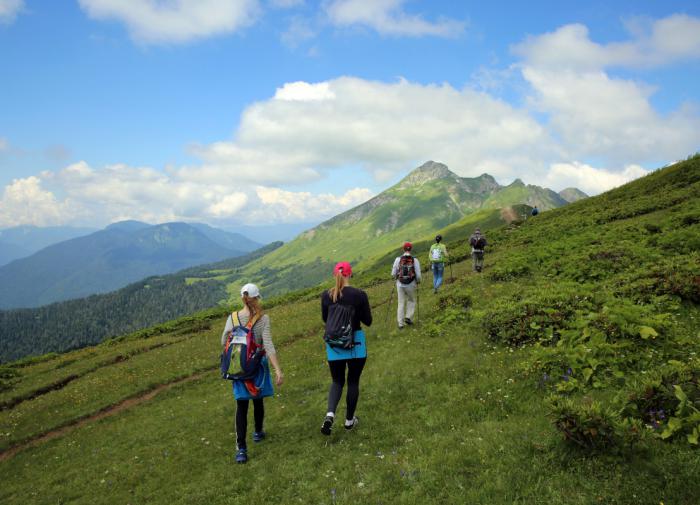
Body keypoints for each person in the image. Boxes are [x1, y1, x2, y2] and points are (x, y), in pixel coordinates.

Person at [221, 283, 283, 464]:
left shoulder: (232, 318)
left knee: (241, 406)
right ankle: (257, 432)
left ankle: (241, 449)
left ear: (243, 298)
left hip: (238, 367)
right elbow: (268, 345)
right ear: (256, 298)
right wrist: (278, 369)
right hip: (256, 367)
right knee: (257, 398)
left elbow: (224, 339)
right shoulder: (263, 319)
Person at [320, 262, 372, 435]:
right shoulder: (359, 295)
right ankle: (349, 421)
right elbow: (368, 321)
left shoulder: (326, 296)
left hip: (334, 345)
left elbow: (326, 320)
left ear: (335, 275)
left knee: (337, 381)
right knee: (353, 381)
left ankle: (330, 415)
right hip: (355, 343)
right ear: (350, 274)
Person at [391, 242, 422, 328]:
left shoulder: (398, 259)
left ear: (403, 249)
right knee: (411, 300)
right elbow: (418, 275)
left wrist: (396, 277)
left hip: (400, 283)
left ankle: (400, 324)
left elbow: (393, 273)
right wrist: (418, 281)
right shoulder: (415, 260)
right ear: (411, 249)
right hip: (411, 283)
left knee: (401, 303)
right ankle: (408, 317)